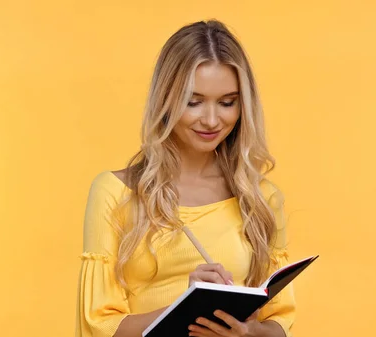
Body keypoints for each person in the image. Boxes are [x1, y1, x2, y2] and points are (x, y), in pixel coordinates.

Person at [75, 19, 296, 337]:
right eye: (193, 102)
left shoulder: (261, 198)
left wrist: (248, 332)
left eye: (227, 103)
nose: (211, 120)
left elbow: (281, 323)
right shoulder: (116, 193)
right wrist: (185, 307)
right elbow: (98, 325)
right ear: (165, 100)